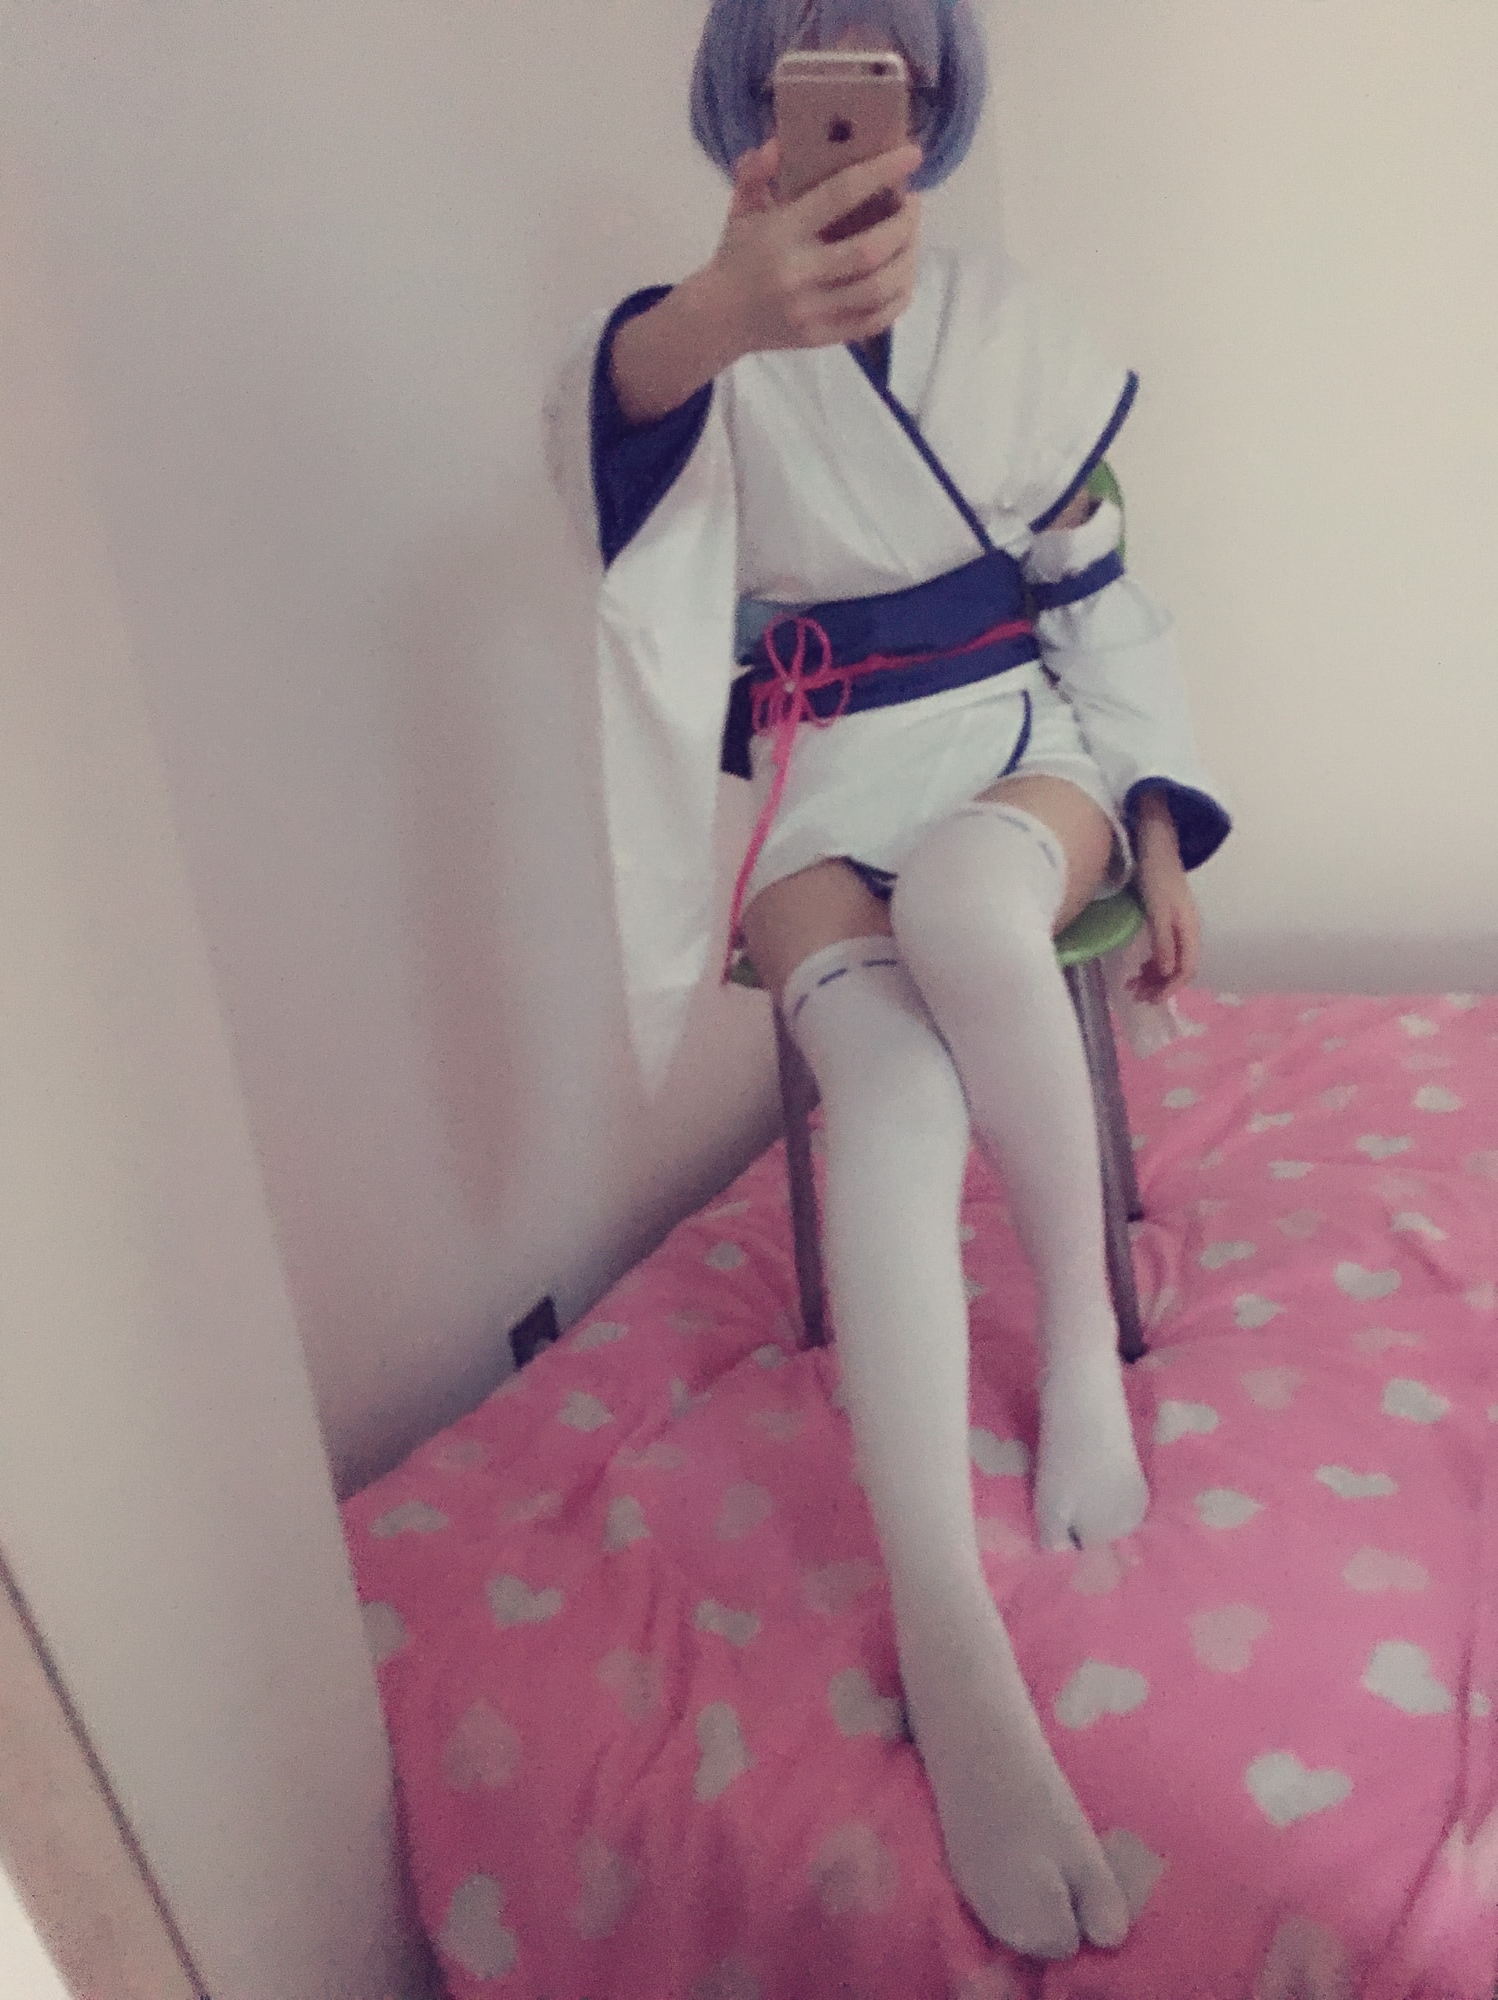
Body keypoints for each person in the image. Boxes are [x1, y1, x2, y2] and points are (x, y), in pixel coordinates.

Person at [545, 0, 1230, 1963]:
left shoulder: (1011, 320)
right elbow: (612, 421)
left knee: (969, 915)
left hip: (1015, 744)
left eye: (893, 80)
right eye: (813, 76)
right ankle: (944, 1614)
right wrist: (720, 311)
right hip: (819, 778)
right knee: (896, 1088)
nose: (860, 119)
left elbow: (1098, 589)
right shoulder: (696, 336)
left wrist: (1157, 821)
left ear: (935, 105)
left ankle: (1081, 1347)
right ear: (746, 100)